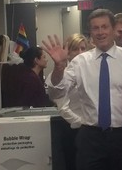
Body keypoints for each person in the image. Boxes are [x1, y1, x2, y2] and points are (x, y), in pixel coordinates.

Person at [42, 8, 122, 170]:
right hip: (91, 137)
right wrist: (59, 67)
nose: (100, 32)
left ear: (112, 29)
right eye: (95, 28)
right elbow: (56, 92)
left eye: (104, 27)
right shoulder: (80, 62)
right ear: (90, 32)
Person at [51, 33, 88, 170]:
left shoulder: (90, 72)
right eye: (75, 49)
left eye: (83, 48)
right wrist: (83, 123)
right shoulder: (63, 74)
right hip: (72, 129)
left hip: (91, 130)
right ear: (68, 52)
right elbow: (62, 106)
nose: (80, 53)